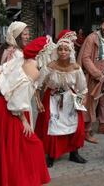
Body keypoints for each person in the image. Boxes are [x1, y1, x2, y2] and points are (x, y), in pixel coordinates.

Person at [0, 36, 52, 186]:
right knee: (28, 147)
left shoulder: (19, 59)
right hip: (7, 112)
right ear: (42, 54)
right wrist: (24, 120)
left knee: (1, 150)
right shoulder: (34, 70)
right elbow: (16, 102)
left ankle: (1, 180)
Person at [35, 33, 88, 168]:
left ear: (71, 51)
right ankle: (51, 155)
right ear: (56, 50)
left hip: (70, 99)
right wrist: (38, 101)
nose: (63, 52)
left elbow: (82, 88)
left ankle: (74, 153)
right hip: (52, 98)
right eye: (60, 49)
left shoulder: (76, 68)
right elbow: (37, 85)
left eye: (66, 49)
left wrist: (80, 103)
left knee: (74, 126)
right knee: (52, 127)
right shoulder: (50, 66)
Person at [77, 17, 104, 144]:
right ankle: (86, 131)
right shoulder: (91, 38)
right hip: (96, 74)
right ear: (101, 25)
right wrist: (96, 74)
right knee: (90, 102)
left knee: (103, 101)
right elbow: (86, 58)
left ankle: (102, 125)